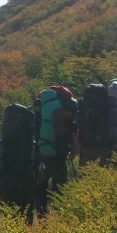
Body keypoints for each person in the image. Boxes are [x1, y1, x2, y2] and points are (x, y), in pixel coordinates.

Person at [34, 85, 78, 217]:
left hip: (40, 153)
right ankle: (60, 215)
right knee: (60, 185)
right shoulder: (61, 108)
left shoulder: (40, 107)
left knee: (40, 185)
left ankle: (42, 216)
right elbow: (67, 131)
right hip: (57, 153)